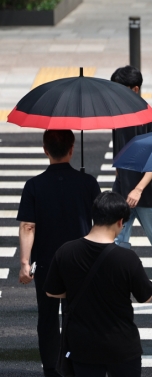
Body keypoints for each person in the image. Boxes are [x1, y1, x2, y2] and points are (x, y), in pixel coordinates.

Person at [16, 130, 101, 377]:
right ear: (72, 148)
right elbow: (100, 222)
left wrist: (24, 263)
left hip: (47, 263)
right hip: (82, 261)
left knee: (48, 316)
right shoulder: (88, 183)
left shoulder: (34, 185)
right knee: (78, 315)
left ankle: (51, 369)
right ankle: (75, 364)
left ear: (45, 149)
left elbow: (28, 226)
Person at [44, 191, 152, 377]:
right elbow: (146, 297)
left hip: (82, 346)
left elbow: (52, 292)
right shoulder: (127, 259)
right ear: (120, 222)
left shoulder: (66, 251)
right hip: (121, 345)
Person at [110, 65, 152, 309]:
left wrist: (137, 189)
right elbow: (118, 153)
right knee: (116, 242)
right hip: (123, 191)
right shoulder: (117, 116)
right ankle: (117, 288)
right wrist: (122, 183)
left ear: (135, 90)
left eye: (120, 90)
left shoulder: (150, 117)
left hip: (149, 194)